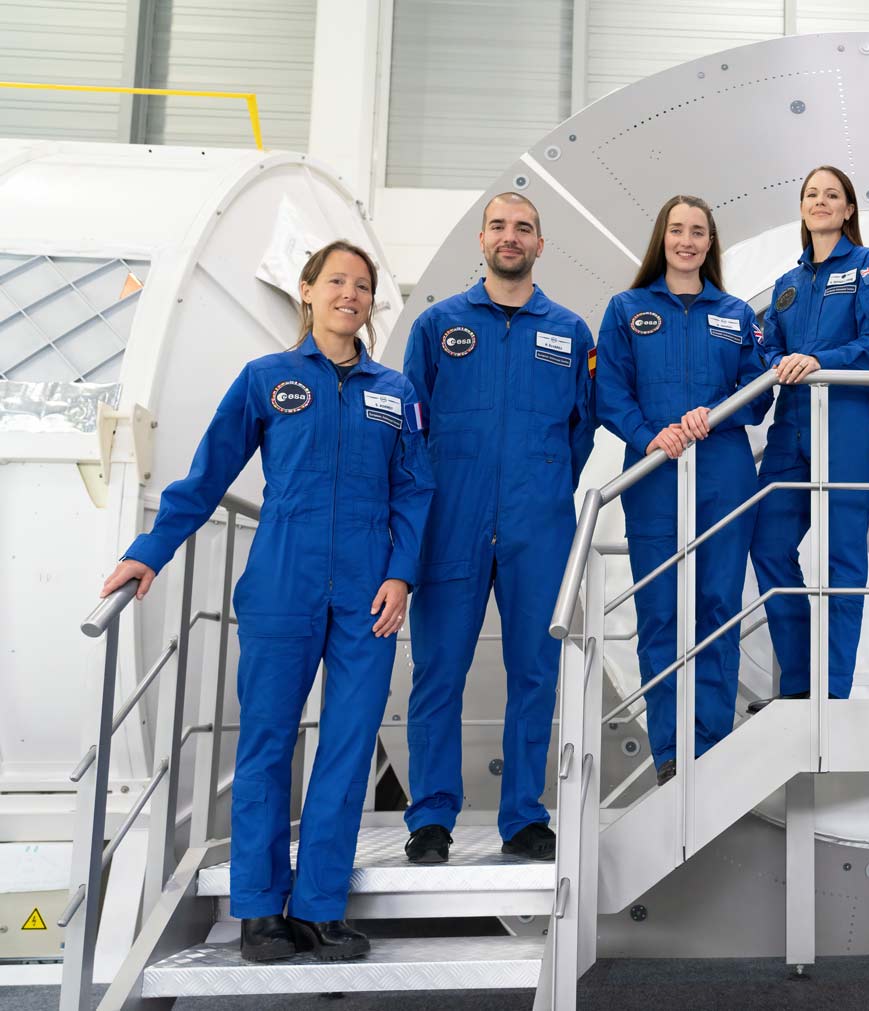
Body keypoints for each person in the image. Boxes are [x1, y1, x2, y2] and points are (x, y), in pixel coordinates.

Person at [99, 241, 434, 962]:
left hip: (368, 590)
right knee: (266, 743)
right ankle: (258, 908)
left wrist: (401, 573)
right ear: (307, 291)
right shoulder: (267, 379)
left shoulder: (395, 391)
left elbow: (415, 488)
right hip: (283, 579)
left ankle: (317, 907)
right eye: (337, 281)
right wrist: (150, 550)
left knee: (346, 748)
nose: (351, 293)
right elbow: (209, 471)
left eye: (363, 285)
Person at [401, 192, 596, 865]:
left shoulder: (571, 332)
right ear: (480, 240)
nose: (510, 237)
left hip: (537, 523)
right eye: (499, 226)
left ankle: (523, 815)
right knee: (437, 671)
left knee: (535, 671)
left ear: (541, 245)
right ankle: (430, 816)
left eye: (524, 228)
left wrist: (539, 487)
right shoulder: (437, 327)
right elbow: (411, 425)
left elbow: (581, 430)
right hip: (449, 521)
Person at [595, 196, 773, 784]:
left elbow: (760, 389)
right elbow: (610, 391)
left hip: (723, 475)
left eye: (698, 232)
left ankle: (712, 745)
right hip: (654, 477)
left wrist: (714, 415)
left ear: (710, 242)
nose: (687, 241)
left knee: (718, 611)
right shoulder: (627, 309)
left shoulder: (737, 313)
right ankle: (671, 752)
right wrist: (652, 437)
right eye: (677, 230)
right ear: (661, 238)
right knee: (662, 615)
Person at [748, 166, 869, 710]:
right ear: (802, 208)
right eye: (812, 195)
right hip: (791, 424)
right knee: (769, 543)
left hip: (845, 421)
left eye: (833, 196)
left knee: (843, 555)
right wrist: (782, 364)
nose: (821, 202)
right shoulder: (789, 285)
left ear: (848, 211)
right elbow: (767, 349)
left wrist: (821, 362)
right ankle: (798, 680)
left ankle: (832, 687)